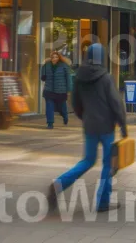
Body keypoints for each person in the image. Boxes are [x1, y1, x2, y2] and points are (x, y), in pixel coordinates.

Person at [48, 43, 127, 213]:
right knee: (108, 164)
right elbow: (115, 103)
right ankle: (102, 202)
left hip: (89, 125)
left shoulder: (79, 77)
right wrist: (123, 124)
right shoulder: (106, 77)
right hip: (106, 126)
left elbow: (75, 102)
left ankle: (58, 184)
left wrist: (84, 117)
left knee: (87, 161)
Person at [41, 51, 72, 129]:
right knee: (49, 107)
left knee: (62, 107)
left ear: (59, 58)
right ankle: (50, 123)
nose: (54, 59)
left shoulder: (64, 66)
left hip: (61, 90)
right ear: (50, 58)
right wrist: (43, 66)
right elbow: (42, 77)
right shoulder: (47, 65)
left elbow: (68, 79)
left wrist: (69, 90)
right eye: (53, 57)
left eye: (56, 57)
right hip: (49, 90)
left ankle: (65, 116)